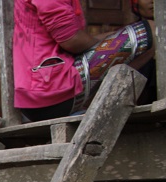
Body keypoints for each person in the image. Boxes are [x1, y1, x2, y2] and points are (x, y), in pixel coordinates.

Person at [14, 0, 155, 122]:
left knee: (123, 39)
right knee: (153, 31)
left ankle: (105, 101)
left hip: (39, 93)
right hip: (49, 93)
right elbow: (72, 41)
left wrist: (111, 39)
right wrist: (110, 42)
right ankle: (104, 102)